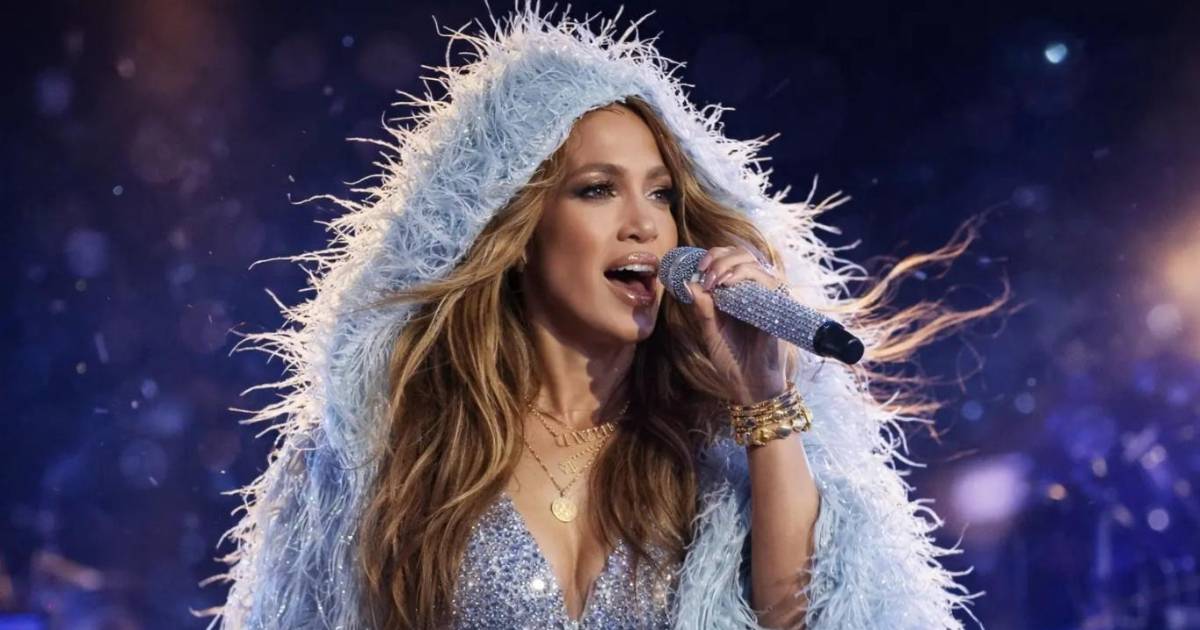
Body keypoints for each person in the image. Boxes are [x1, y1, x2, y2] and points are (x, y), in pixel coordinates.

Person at [203, 6, 996, 629]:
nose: (645, 224)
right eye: (598, 189)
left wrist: (764, 399)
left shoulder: (703, 444)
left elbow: (810, 620)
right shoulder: (394, 445)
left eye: (661, 194)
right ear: (518, 230)